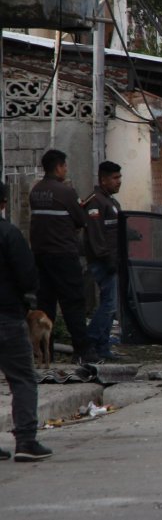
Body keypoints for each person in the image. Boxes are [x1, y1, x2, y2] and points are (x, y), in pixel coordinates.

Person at [29, 149, 98, 364]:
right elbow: (81, 219)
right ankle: (83, 351)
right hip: (64, 256)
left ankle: (44, 352)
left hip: (41, 256)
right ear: (58, 167)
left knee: (45, 303)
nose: (66, 169)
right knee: (73, 303)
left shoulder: (36, 191)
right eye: (65, 166)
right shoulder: (65, 192)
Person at [0, 181, 52, 461]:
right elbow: (28, 277)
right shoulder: (9, 234)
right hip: (7, 317)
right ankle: (26, 441)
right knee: (22, 379)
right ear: (4, 203)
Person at [82, 161, 123, 360]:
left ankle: (103, 347)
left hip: (112, 260)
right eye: (115, 178)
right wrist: (107, 260)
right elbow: (96, 236)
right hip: (103, 262)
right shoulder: (95, 202)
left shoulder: (110, 202)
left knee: (111, 305)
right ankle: (90, 340)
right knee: (108, 305)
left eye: (119, 177)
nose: (119, 182)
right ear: (103, 179)